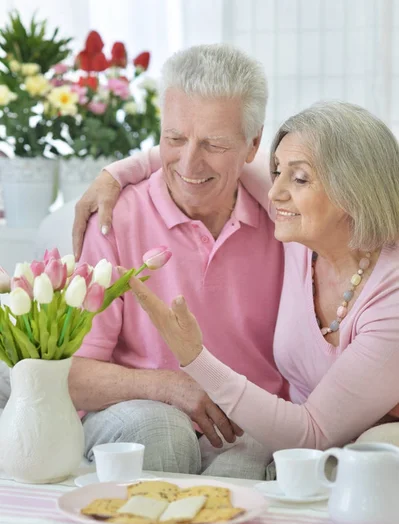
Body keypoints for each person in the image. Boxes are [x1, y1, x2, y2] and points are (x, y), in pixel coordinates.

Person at [79, 100, 399, 451]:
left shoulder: (388, 295)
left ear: (353, 192)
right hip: (295, 442)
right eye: (277, 171)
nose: (275, 192)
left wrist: (195, 357)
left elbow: (313, 432)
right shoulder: (302, 238)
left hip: (345, 447)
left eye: (300, 178)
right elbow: (214, 158)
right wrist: (114, 174)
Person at [69, 44, 288, 479]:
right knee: (164, 431)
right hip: (137, 411)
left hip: (248, 421)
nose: (189, 163)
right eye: (174, 138)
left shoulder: (285, 225)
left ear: (253, 145)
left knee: (244, 466)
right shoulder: (116, 218)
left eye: (213, 143)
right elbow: (72, 375)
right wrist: (168, 387)